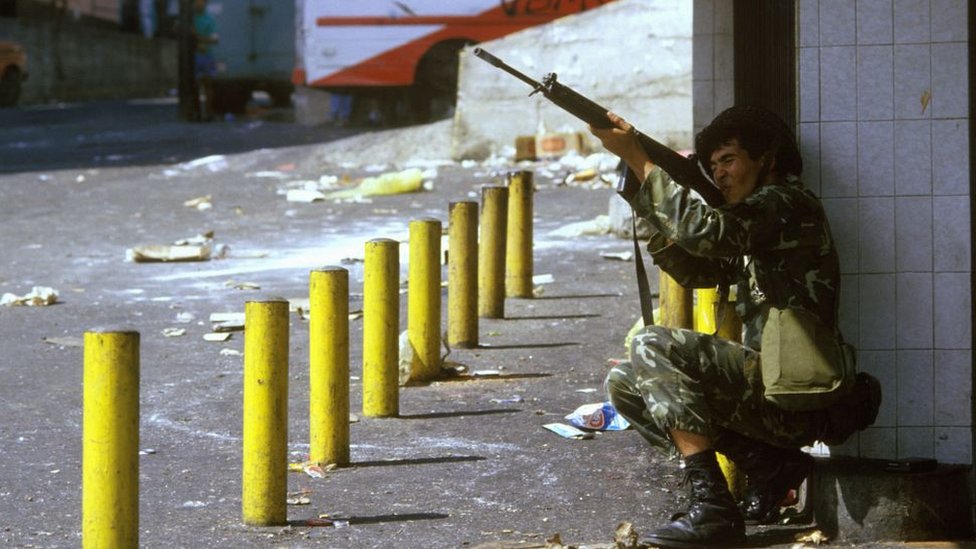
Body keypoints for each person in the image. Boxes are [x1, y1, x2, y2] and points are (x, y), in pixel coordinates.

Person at [588, 106, 879, 548]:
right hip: (769, 395)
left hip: (797, 398)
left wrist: (642, 161)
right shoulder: (752, 223)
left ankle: (713, 510)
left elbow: (707, 233)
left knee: (652, 344)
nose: (720, 174)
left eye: (729, 160)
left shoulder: (785, 203)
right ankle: (767, 467)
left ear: (767, 159)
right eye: (713, 166)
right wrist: (645, 191)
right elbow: (696, 269)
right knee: (626, 382)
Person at [192, 0, 218, 120]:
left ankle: (209, 113)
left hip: (207, 55)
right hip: (194, 56)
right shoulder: (190, 18)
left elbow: (214, 39)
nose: (199, 3)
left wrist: (198, 38)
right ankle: (197, 113)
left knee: (208, 85)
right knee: (195, 86)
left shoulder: (210, 19)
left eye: (201, 1)